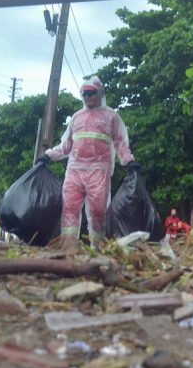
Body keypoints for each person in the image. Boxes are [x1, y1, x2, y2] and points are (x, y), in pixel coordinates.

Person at [36, 76, 138, 253]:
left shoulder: (111, 116)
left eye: (91, 93)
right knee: (69, 207)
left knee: (98, 210)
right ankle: (69, 247)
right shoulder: (76, 118)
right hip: (74, 170)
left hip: (99, 171)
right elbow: (66, 145)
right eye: (84, 93)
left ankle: (97, 249)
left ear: (100, 93)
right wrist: (48, 156)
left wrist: (129, 161)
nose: (87, 96)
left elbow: (120, 143)